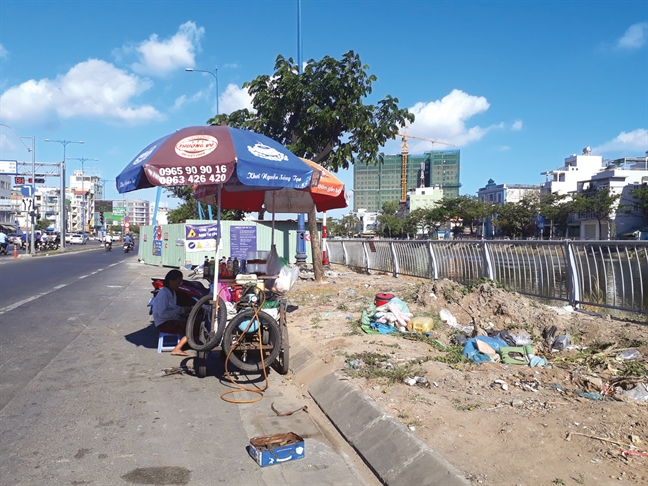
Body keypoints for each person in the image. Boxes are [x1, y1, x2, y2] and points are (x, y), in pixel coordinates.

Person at [151, 269, 193, 356]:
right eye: (178, 282)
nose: (180, 284)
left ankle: (184, 343)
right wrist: (181, 310)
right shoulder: (163, 294)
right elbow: (162, 314)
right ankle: (177, 348)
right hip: (163, 323)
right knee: (192, 327)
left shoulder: (172, 292)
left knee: (192, 322)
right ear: (170, 281)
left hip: (170, 319)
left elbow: (172, 307)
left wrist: (184, 310)